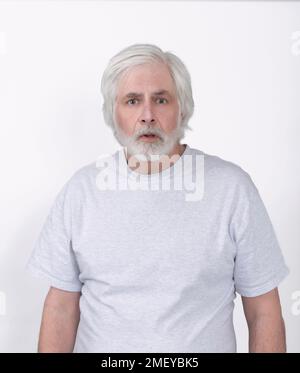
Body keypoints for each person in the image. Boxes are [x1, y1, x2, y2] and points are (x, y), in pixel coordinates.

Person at [26, 43, 290, 353]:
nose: (147, 115)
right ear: (114, 111)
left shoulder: (231, 189)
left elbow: (264, 311)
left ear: (183, 108)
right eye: (132, 101)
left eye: (161, 99)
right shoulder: (81, 191)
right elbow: (60, 307)